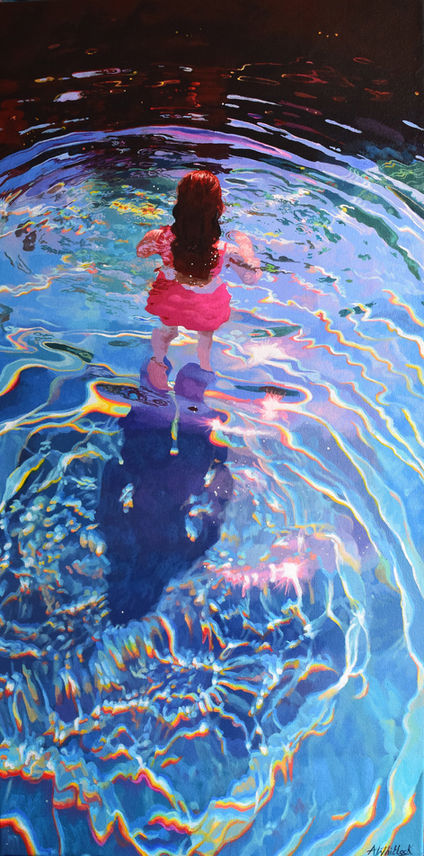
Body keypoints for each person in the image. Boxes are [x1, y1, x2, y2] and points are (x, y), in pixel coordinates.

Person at [136, 170, 261, 389]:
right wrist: (247, 248)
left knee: (166, 331)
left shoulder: (161, 238)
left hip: (170, 299)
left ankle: (158, 361)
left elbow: (141, 252)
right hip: (206, 304)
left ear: (179, 204)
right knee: (205, 336)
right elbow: (251, 278)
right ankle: (204, 367)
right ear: (219, 208)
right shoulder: (224, 249)